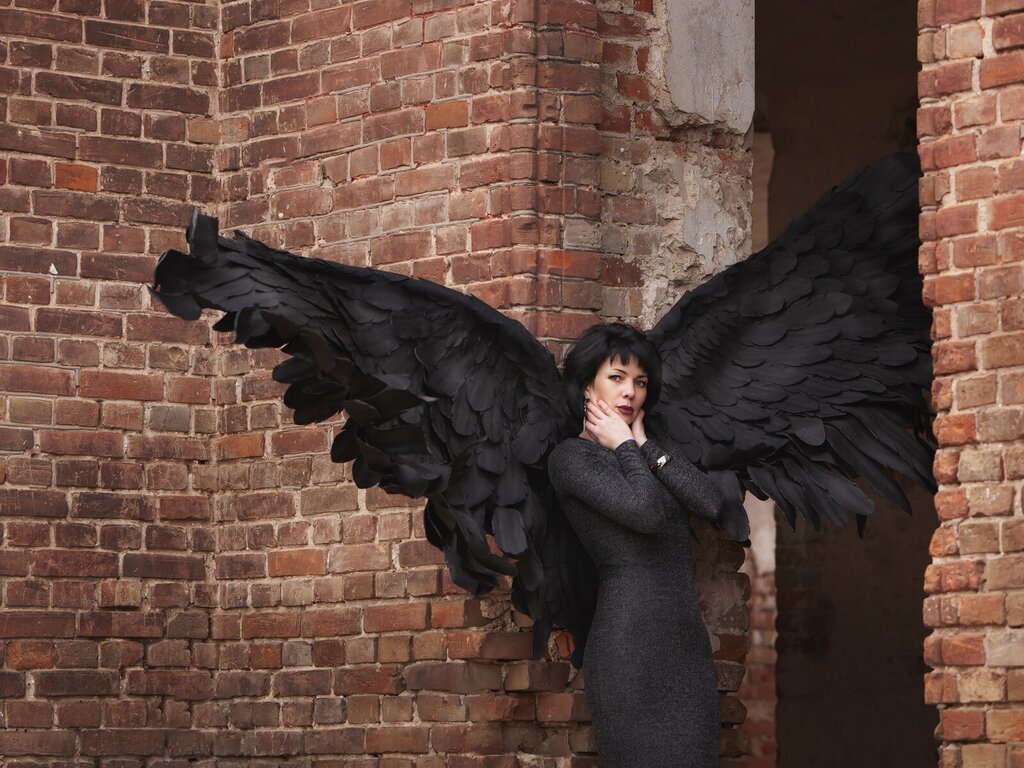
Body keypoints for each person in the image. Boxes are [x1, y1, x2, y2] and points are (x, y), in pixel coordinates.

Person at [547, 323, 727, 768]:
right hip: (628, 644)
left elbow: (710, 503)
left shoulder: (644, 450)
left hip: (685, 646)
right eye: (617, 377)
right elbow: (645, 513)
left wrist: (643, 444)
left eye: (640, 382)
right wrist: (627, 445)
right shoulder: (570, 458)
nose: (630, 391)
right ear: (587, 386)